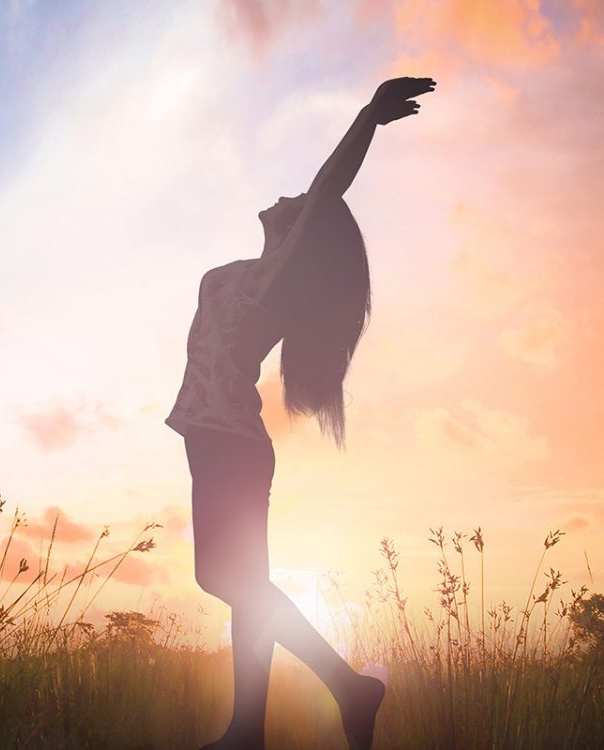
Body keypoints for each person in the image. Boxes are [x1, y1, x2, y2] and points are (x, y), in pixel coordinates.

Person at [164, 76, 436, 750]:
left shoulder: (275, 278)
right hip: (215, 440)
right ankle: (248, 731)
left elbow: (326, 190)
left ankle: (347, 688)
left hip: (230, 440)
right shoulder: (248, 275)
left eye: (297, 202)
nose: (287, 197)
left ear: (301, 234)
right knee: (244, 584)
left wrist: (368, 118)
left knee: (223, 579)